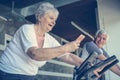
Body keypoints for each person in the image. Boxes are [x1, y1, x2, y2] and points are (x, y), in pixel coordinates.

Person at [0, 2, 101, 80]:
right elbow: (34, 54)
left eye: (55, 20)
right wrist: (65, 47)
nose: (54, 22)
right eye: (51, 18)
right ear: (39, 17)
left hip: (28, 76)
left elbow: (67, 55)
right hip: (8, 73)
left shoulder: (49, 39)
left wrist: (86, 65)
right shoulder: (27, 29)